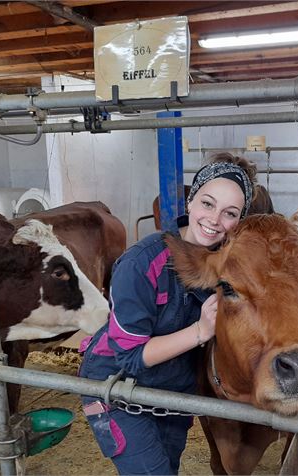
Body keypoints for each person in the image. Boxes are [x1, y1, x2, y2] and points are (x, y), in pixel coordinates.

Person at [78, 152, 257, 475]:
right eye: (207, 203)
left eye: (229, 213)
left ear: (238, 223)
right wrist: (201, 331)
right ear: (190, 201)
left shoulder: (229, 268)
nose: (215, 219)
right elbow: (130, 357)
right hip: (117, 386)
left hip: (173, 389)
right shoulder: (141, 263)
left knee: (167, 468)